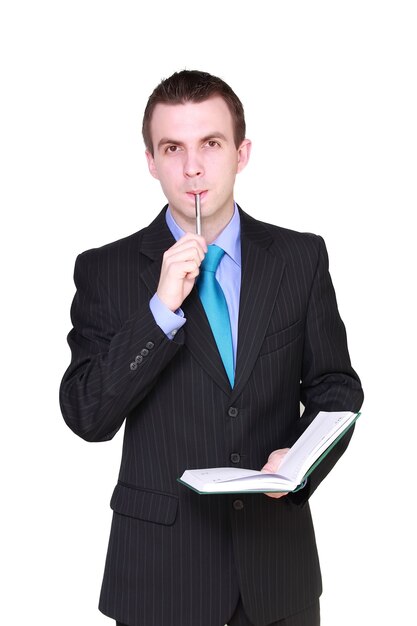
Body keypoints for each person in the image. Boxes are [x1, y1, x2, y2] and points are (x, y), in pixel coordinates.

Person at [60, 69, 363, 626]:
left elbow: (336, 390)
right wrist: (159, 314)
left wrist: (298, 463)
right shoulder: (105, 270)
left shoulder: (300, 259)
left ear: (241, 153)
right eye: (173, 147)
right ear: (150, 160)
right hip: (160, 576)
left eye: (211, 144)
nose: (192, 167)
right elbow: (87, 415)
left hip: (278, 575)